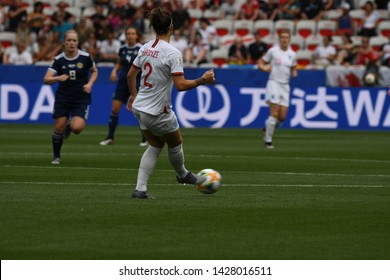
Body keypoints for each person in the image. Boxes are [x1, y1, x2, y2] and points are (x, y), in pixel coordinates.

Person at [126, 8, 215, 199]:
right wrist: (203, 80)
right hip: (157, 111)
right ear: (171, 28)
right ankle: (182, 174)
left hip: (139, 108)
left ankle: (140, 189)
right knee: (176, 143)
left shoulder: (145, 47)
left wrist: (133, 96)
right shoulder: (173, 53)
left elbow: (130, 75)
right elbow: (181, 85)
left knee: (156, 144)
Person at [43, 30, 98, 165]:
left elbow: (95, 71)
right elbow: (46, 79)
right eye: (69, 40)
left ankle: (70, 125)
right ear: (64, 43)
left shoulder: (85, 57)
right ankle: (56, 156)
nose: (72, 43)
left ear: (78, 43)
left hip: (81, 98)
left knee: (77, 128)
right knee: (58, 127)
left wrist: (89, 84)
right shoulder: (58, 60)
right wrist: (57, 78)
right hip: (63, 97)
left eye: (74, 40)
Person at [100, 26, 147, 146]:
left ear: (137, 35)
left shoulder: (142, 49)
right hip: (122, 83)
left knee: (139, 111)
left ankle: (145, 138)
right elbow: (120, 62)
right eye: (128, 34)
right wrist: (114, 71)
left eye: (133, 33)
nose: (130, 36)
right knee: (114, 109)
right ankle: (110, 137)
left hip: (136, 84)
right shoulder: (122, 49)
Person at [258, 29, 297, 149]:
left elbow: (294, 68)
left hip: (285, 85)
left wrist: (294, 72)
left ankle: (267, 129)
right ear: (279, 39)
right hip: (273, 82)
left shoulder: (293, 54)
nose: (284, 39)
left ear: (289, 40)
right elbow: (260, 62)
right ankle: (268, 141)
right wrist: (264, 68)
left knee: (282, 117)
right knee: (274, 112)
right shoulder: (273, 51)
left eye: (286, 37)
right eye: (282, 37)